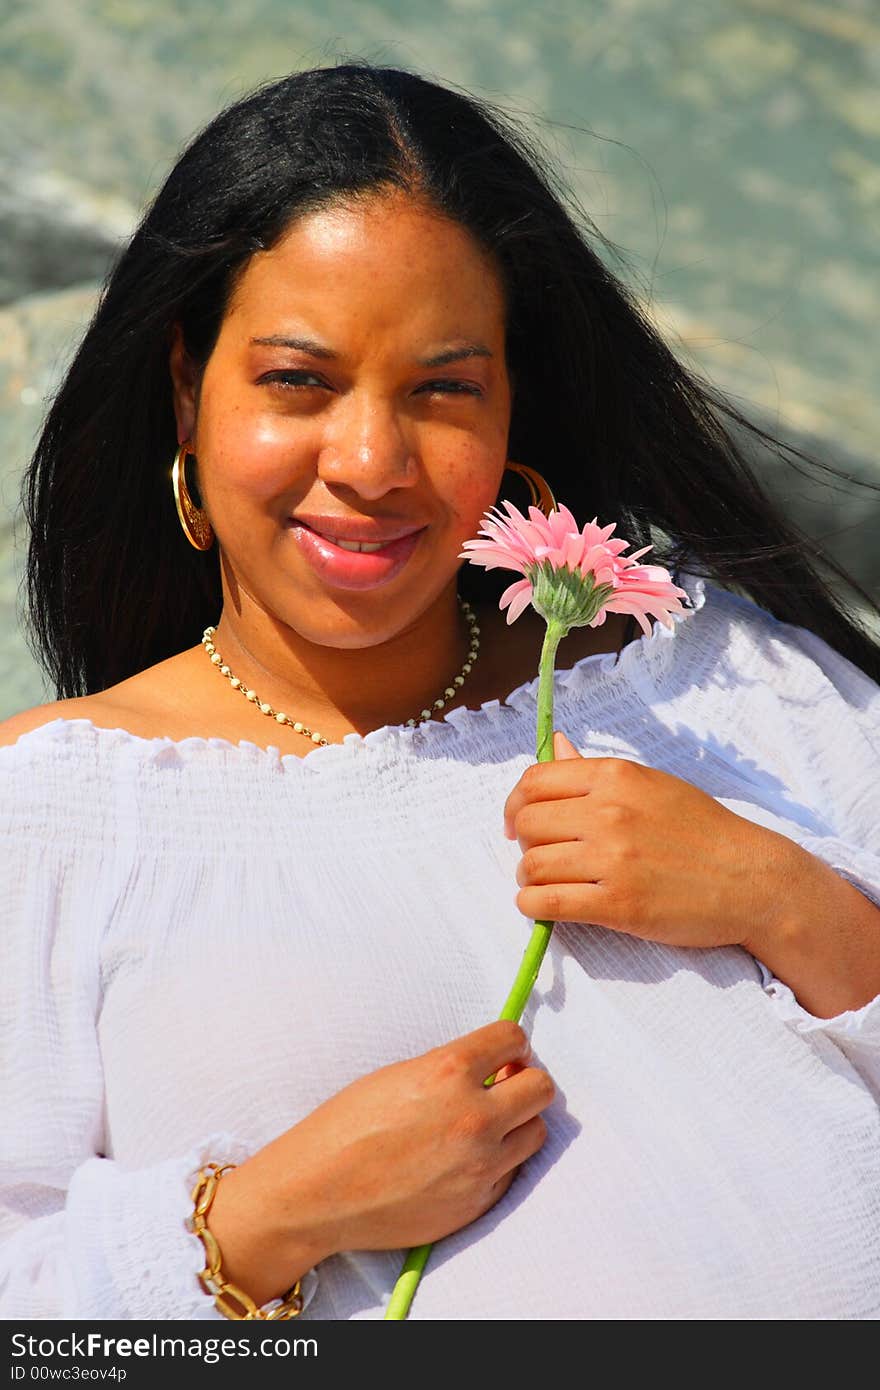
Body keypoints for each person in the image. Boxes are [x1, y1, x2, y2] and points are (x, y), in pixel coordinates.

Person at [1, 62, 879, 1323]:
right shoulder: (55, 816)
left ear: (514, 401)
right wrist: (268, 1216)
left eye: (442, 388)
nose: (369, 461)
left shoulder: (715, 677)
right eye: (298, 380)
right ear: (188, 390)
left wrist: (797, 910)